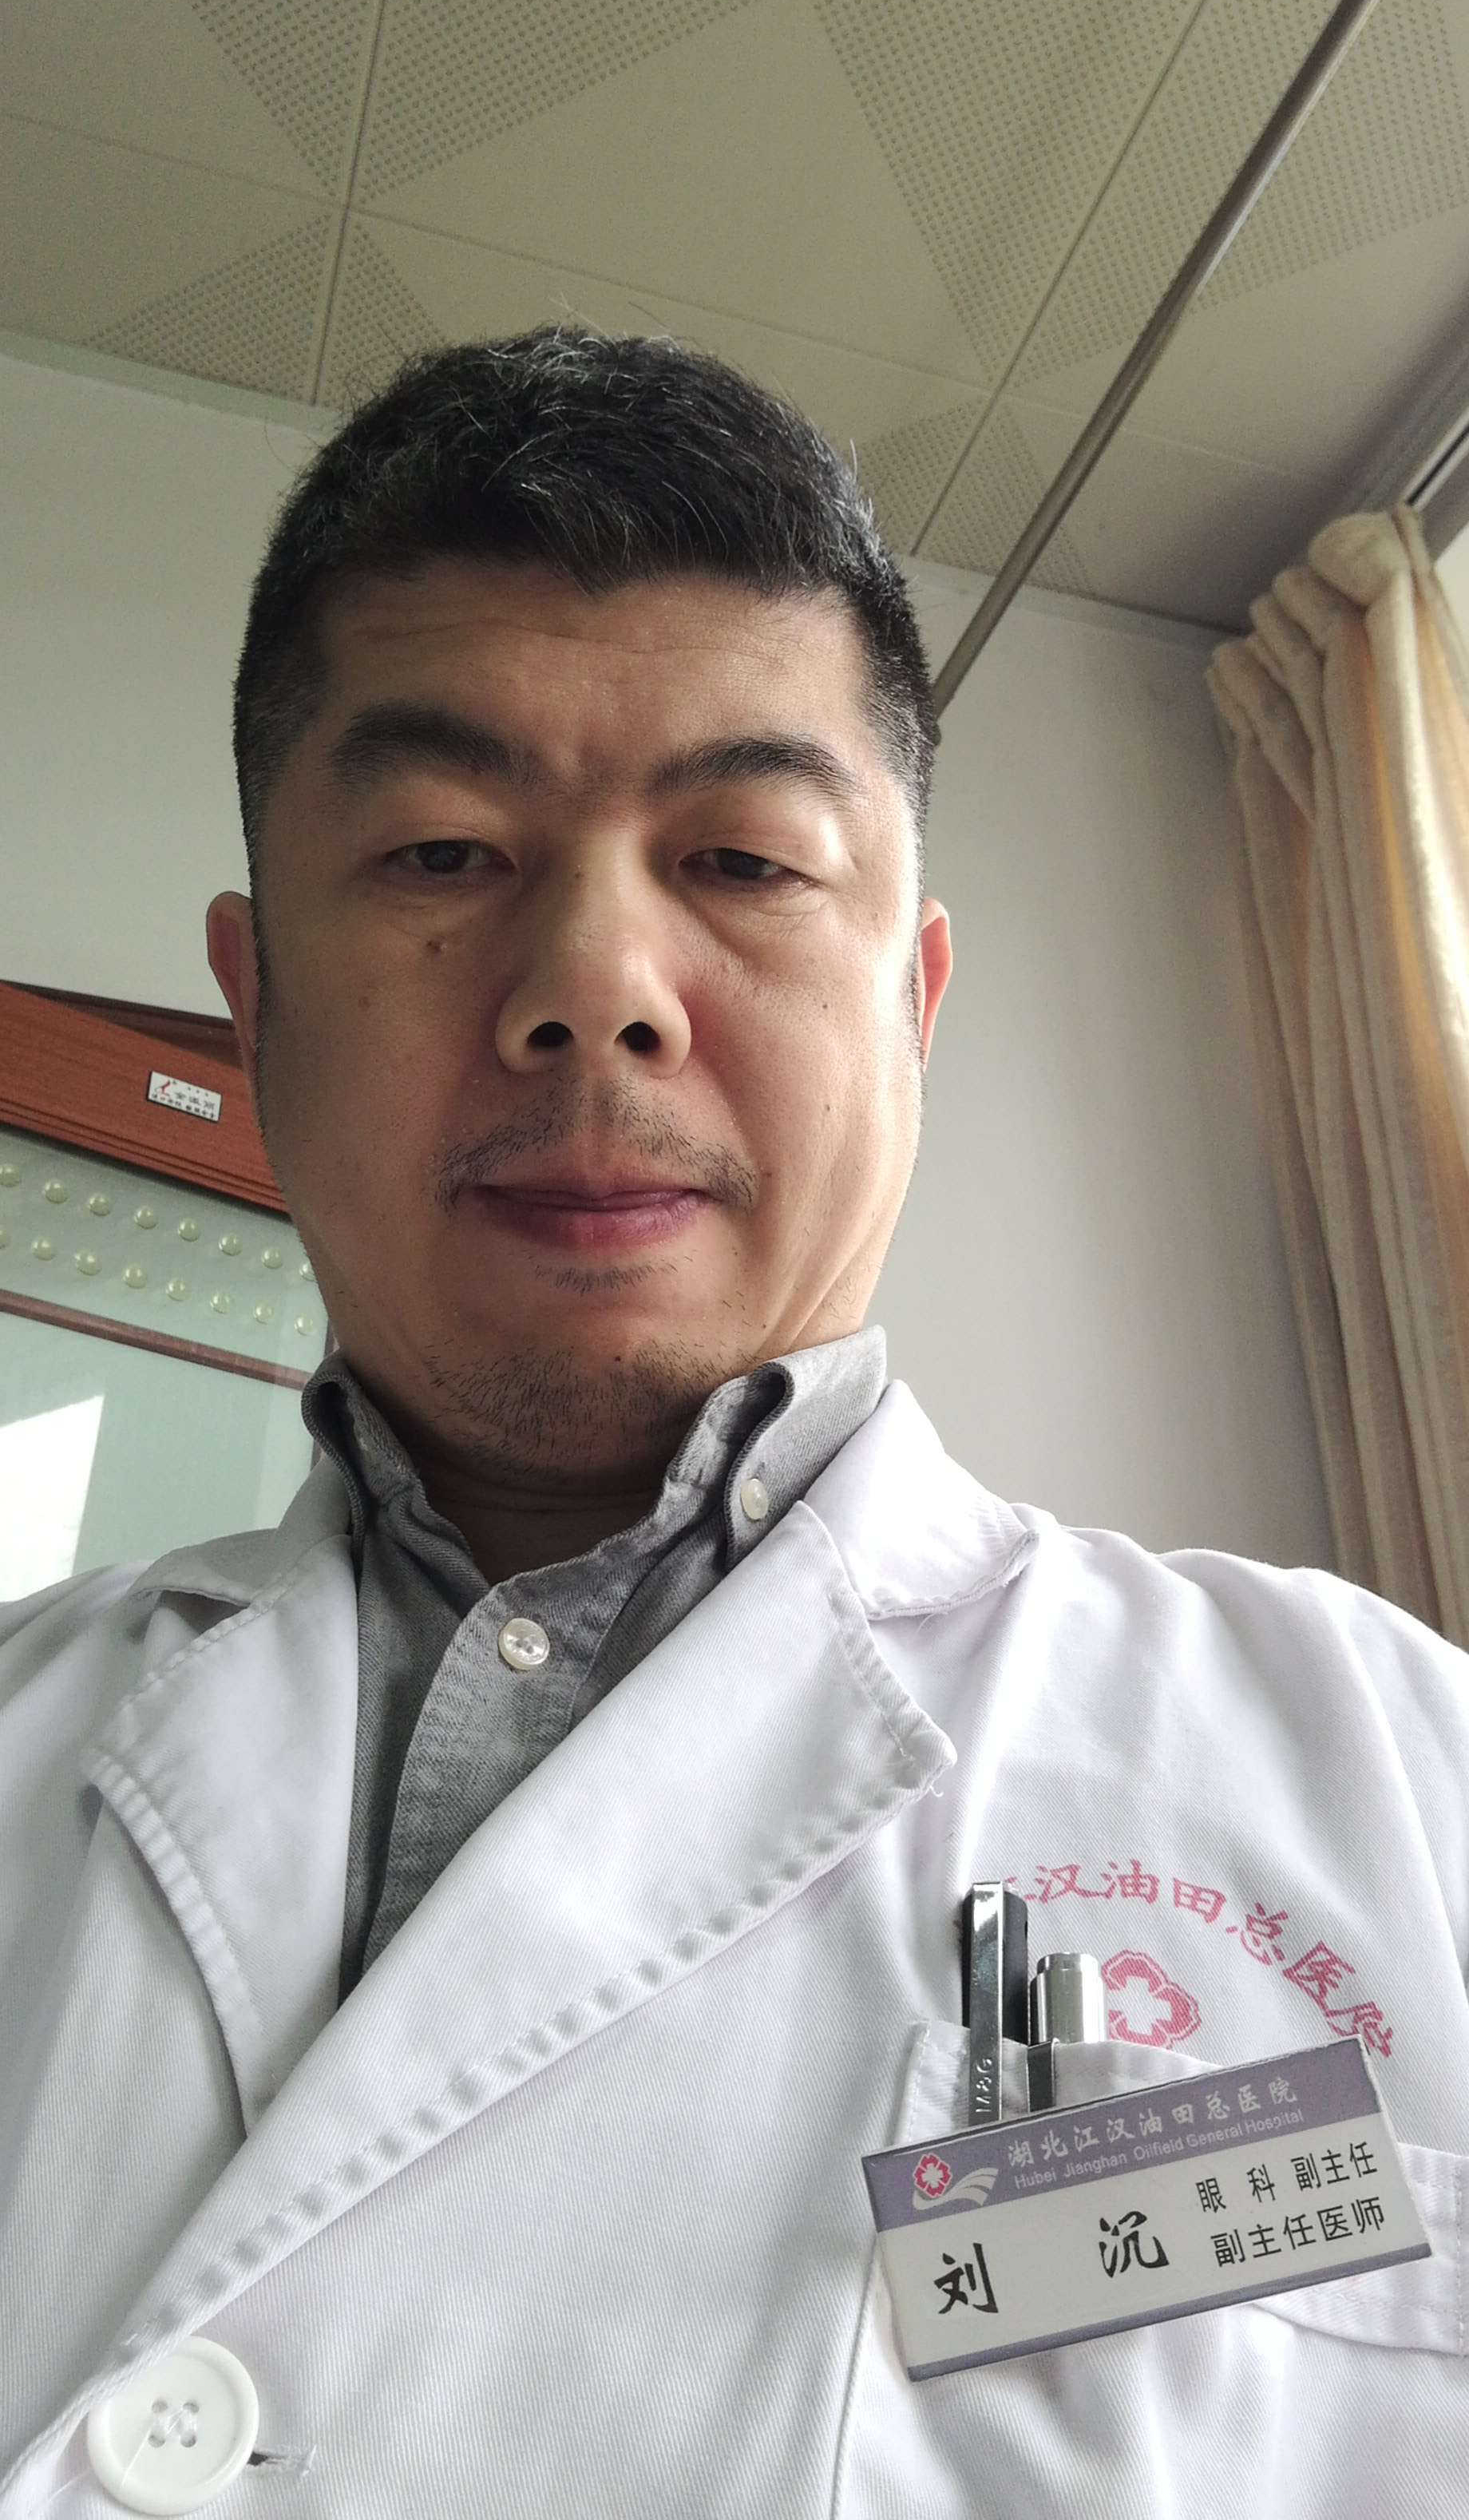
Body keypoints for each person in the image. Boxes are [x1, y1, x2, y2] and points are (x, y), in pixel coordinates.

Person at [2, 327, 1467, 2520]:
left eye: (750, 861)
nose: (596, 987)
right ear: (256, 999)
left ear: (916, 1006)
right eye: (440, 852)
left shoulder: (1405, 1782)